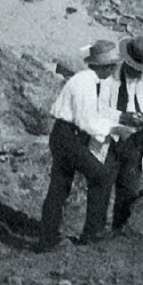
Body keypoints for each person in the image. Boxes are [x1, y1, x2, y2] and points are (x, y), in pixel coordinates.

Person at [38, 40, 121, 252]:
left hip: (63, 134)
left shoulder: (86, 80)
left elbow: (96, 112)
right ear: (106, 66)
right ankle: (91, 233)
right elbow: (88, 121)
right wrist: (115, 130)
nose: (113, 70)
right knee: (101, 176)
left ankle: (48, 238)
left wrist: (120, 118)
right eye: (112, 66)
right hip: (69, 137)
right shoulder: (85, 83)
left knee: (60, 185)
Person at [102, 36, 143, 232]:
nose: (137, 72)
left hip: (137, 144)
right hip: (112, 140)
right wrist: (122, 117)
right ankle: (94, 233)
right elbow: (99, 108)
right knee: (102, 188)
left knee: (128, 190)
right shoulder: (110, 75)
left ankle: (118, 233)